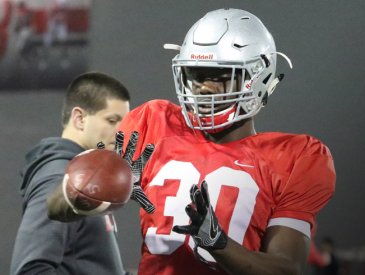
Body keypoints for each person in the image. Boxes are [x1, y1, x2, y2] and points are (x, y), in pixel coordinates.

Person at [117, 8, 336, 275]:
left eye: (219, 75)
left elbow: (286, 269)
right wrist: (91, 191)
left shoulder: (294, 157)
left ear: (256, 79)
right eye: (196, 74)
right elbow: (66, 204)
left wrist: (219, 245)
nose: (203, 87)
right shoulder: (153, 124)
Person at [10, 72, 133, 274]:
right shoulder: (62, 178)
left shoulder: (86, 175)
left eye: (125, 122)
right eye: (112, 120)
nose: (122, 131)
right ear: (79, 118)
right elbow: (29, 270)